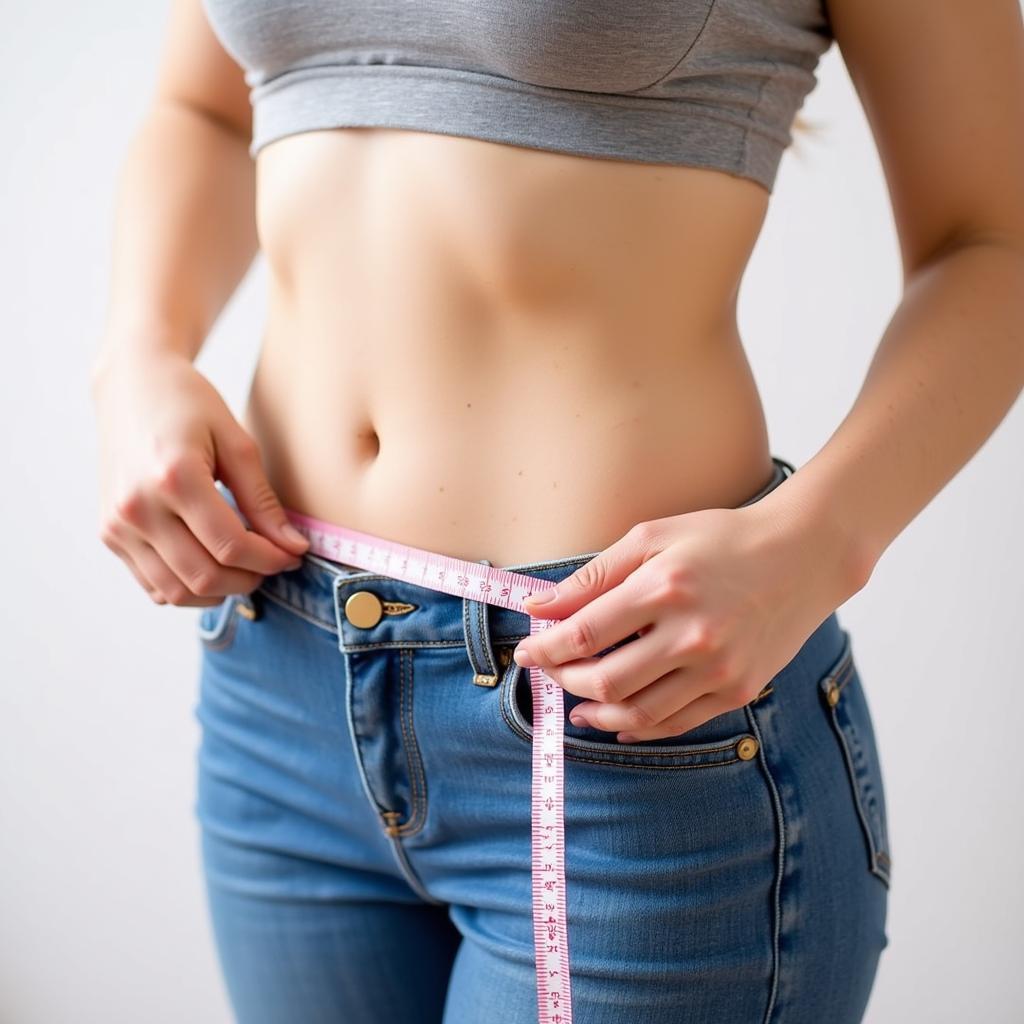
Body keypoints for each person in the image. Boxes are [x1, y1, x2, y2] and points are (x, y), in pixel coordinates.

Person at [89, 0, 1024, 1021]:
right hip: (278, 675)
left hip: (630, 702)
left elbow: (992, 240)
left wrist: (820, 541)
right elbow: (206, 109)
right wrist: (137, 353)